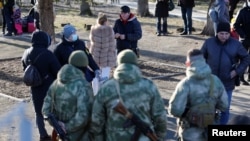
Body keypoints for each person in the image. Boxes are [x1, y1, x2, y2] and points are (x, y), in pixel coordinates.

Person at [90, 49, 167, 141]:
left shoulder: (107, 88)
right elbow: (160, 117)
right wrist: (160, 137)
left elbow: (96, 120)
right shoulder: (149, 86)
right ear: (135, 64)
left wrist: (99, 138)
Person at [168, 49, 228, 141]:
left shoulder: (185, 84)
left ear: (188, 64)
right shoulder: (215, 80)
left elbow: (175, 110)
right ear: (204, 61)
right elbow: (224, 105)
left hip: (190, 133)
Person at [200, 22, 250, 125]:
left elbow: (246, 58)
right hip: (210, 83)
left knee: (225, 110)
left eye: (226, 33)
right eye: (221, 33)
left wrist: (237, 72)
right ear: (217, 33)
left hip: (227, 83)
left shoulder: (236, 44)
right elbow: (200, 58)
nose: (224, 36)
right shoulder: (208, 43)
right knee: (209, 110)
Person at [42, 50, 94, 141]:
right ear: (84, 67)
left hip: (59, 135)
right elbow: (84, 115)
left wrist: (57, 125)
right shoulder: (84, 86)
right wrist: (67, 127)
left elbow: (45, 110)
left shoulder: (56, 83)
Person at [21, 31, 61, 141]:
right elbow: (58, 71)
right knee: (53, 112)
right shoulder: (48, 54)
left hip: (35, 87)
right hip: (49, 87)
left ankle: (43, 135)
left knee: (38, 113)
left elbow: (25, 69)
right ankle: (59, 132)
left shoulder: (26, 52)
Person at [89, 12, 117, 80]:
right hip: (107, 57)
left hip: (96, 56)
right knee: (105, 76)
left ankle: (95, 90)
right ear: (106, 21)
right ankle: (103, 89)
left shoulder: (93, 29)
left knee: (95, 76)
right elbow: (112, 44)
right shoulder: (110, 30)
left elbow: (92, 41)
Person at [233, 0, 250, 85]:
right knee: (243, 58)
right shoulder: (243, 11)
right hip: (245, 39)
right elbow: (236, 25)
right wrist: (243, 35)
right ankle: (240, 77)